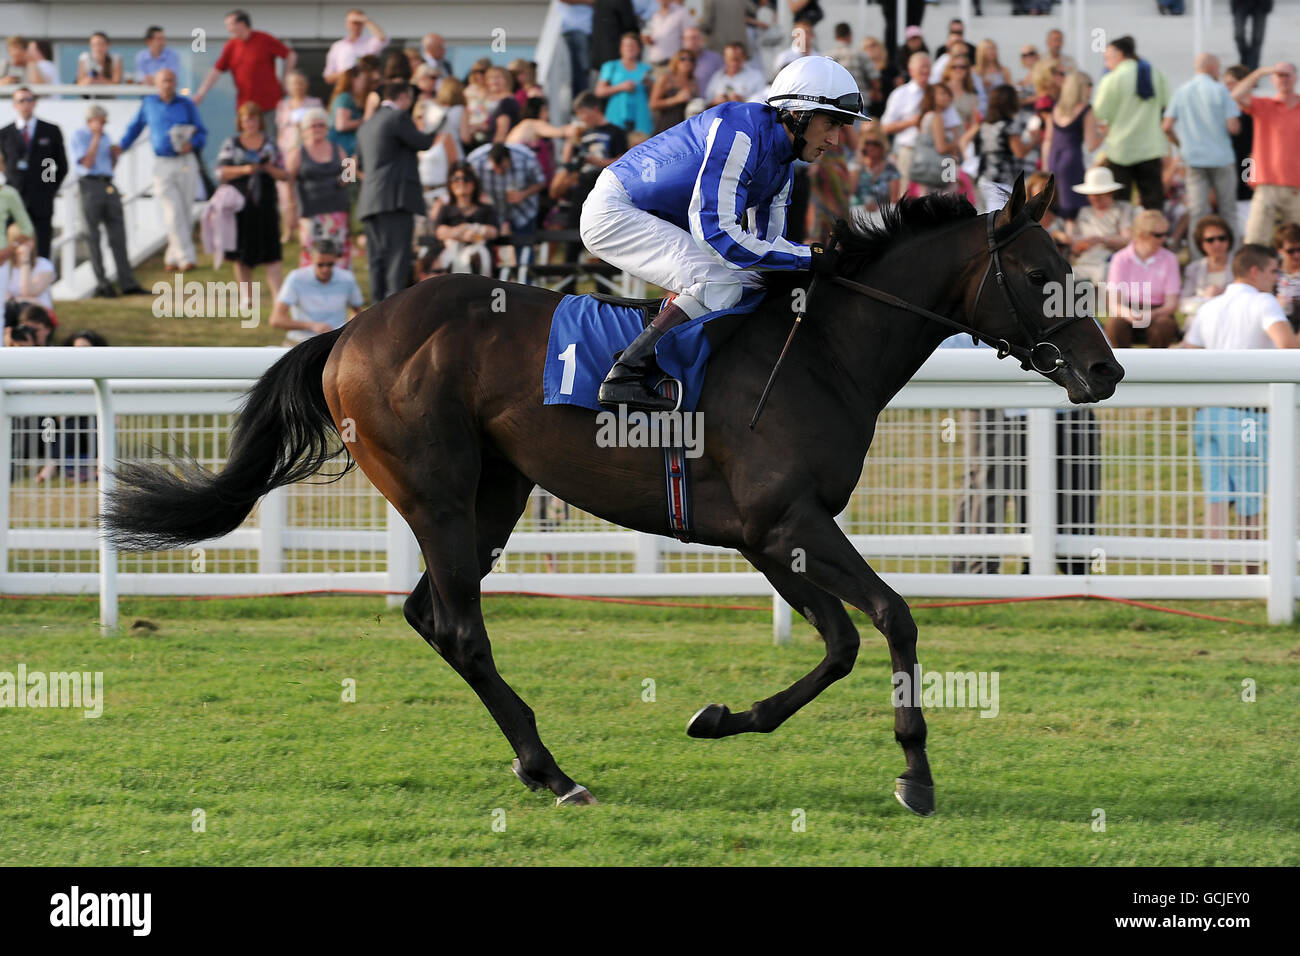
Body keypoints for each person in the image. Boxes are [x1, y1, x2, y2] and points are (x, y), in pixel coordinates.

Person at [579, 56, 869, 410]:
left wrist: (809, 263)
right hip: (616, 210)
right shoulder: (739, 132)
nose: (836, 140)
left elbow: (766, 259)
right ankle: (626, 373)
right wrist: (808, 256)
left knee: (749, 284)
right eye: (831, 124)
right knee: (720, 283)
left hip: (656, 217)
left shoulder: (783, 170)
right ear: (798, 113)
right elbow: (716, 234)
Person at [1181, 243, 1298, 572]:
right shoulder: (1263, 301)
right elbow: (1287, 345)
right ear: (1255, 271)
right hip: (1245, 415)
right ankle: (1250, 572)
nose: (1277, 278)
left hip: (1208, 414)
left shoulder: (1209, 306)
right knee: (1249, 495)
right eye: (1274, 271)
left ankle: (1218, 575)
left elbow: (1187, 352)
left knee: (1216, 497)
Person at [356, 81, 437, 303]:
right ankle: (391, 317)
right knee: (396, 261)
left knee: (376, 262)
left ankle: (373, 314)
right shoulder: (398, 117)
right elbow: (423, 142)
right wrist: (439, 123)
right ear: (403, 97)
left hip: (370, 202)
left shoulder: (366, 124)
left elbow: (359, 164)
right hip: (395, 200)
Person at [118, 69, 205, 272]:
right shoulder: (149, 104)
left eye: (171, 80)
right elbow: (135, 128)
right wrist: (121, 147)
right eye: (164, 80)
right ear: (157, 83)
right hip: (163, 162)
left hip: (185, 160)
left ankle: (172, 256)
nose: (168, 84)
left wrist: (192, 144)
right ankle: (186, 257)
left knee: (184, 209)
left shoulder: (186, 104)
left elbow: (201, 131)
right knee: (172, 211)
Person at [1163, 54, 1241, 258]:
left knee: (1197, 212)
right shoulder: (1220, 90)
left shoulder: (1182, 91)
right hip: (1221, 158)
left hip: (1194, 159)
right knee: (1228, 211)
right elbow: (1233, 126)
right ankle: (1232, 258)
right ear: (1213, 67)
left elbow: (1167, 126)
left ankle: (1197, 261)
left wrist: (1181, 144)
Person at [216, 102, 287, 307]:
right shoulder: (232, 143)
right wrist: (244, 170)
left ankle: (278, 297)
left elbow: (284, 174)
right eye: (246, 119)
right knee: (242, 251)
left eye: (254, 119)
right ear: (241, 122)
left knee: (271, 251)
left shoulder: (270, 144)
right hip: (241, 203)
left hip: (265, 202)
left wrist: (268, 168)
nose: (250, 123)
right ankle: (247, 296)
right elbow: (220, 172)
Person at [71, 105, 145, 297]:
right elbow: (86, 162)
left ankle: (128, 282)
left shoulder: (106, 137)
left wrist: (114, 155)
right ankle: (102, 283)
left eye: (104, 122)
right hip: (89, 186)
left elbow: (109, 165)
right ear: (91, 120)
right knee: (93, 237)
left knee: (118, 236)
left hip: (108, 184)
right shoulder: (80, 136)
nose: (103, 125)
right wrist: (95, 137)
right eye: (100, 121)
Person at [1092, 36, 1170, 211]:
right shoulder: (1154, 74)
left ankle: (1125, 238)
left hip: (1121, 149)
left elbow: (1099, 112)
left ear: (1119, 54)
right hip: (1150, 148)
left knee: (1121, 204)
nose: (1106, 63)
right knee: (1153, 203)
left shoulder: (1112, 78)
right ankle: (1155, 235)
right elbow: (1165, 103)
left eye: (1107, 57)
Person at [1232, 62, 1300, 245]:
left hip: (1296, 188)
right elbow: (1236, 95)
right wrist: (1261, 71)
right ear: (1273, 79)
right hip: (1266, 184)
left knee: (1295, 244)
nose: (1284, 79)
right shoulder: (1264, 105)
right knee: (1255, 241)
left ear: (1295, 78)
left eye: (1287, 75)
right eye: (1279, 75)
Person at [0, 88, 68, 261]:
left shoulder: (50, 131)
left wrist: (48, 188)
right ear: (14, 105)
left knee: (42, 249)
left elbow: (57, 165)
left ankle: (41, 285)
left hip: (41, 202)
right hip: (14, 202)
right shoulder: (4, 134)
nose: (25, 104)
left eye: (29, 99)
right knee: (12, 248)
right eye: (21, 100)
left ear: (35, 102)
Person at [193, 9, 296, 117]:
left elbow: (291, 55)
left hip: (269, 104)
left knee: (270, 134)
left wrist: (286, 81)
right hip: (245, 106)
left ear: (242, 24)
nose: (228, 30)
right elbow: (216, 71)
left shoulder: (264, 39)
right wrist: (201, 93)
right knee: (246, 134)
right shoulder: (231, 46)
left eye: (230, 25)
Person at [1104, 209, 1182, 349]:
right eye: (1158, 235)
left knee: (1163, 326)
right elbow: (1114, 303)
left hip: (1158, 312)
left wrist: (1150, 314)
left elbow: (1171, 304)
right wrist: (1128, 314)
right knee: (1114, 325)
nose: (1164, 239)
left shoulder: (1170, 259)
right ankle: (1121, 368)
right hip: (1127, 310)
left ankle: (1157, 368)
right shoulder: (1120, 258)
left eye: (1166, 234)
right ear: (1141, 235)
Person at [286, 107, 352, 269]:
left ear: (327, 128)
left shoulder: (338, 149)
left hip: (337, 211)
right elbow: (289, 182)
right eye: (313, 125)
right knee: (312, 254)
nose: (317, 129)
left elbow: (348, 176)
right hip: (310, 213)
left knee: (338, 253)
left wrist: (348, 171)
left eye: (321, 125)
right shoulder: (298, 153)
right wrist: (291, 210)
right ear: (305, 130)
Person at [270, 238, 363, 345]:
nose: (325, 269)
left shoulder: (347, 278)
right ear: (311, 259)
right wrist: (311, 325)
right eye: (320, 265)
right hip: (300, 342)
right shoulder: (296, 278)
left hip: (336, 343)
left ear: (336, 260)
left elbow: (358, 313)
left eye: (330, 264)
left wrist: (345, 331)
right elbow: (276, 319)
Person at [274, 72, 323, 243]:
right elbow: (280, 130)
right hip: (288, 151)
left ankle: (310, 227)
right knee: (286, 191)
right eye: (294, 83)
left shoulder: (315, 103)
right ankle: (288, 229)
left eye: (300, 82)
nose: (297, 87)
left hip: (309, 152)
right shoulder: (283, 105)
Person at [431, 162, 501, 275]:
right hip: (452, 251)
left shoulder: (485, 208)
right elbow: (439, 231)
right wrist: (459, 233)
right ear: (451, 184)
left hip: (478, 250)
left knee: (475, 257)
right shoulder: (446, 208)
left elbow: (494, 231)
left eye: (466, 178)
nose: (461, 182)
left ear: (473, 184)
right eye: (456, 179)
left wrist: (475, 231)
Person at [467, 141, 546, 239]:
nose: (499, 172)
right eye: (495, 168)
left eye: (503, 168)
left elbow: (541, 182)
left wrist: (523, 194)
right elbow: (465, 181)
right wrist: (479, 196)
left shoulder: (526, 158)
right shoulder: (475, 161)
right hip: (493, 213)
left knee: (524, 248)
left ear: (510, 159)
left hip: (523, 211)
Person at [974, 86, 1035, 213]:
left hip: (983, 179)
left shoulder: (985, 124)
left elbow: (970, 144)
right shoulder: (1009, 125)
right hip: (1002, 181)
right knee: (1000, 223)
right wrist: (1035, 140)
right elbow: (1020, 152)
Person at [1069, 166, 1134, 286]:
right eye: (1091, 194)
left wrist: (1101, 240)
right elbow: (1074, 244)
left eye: (1098, 194)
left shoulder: (1123, 209)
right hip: (1085, 261)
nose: (1094, 198)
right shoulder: (1084, 212)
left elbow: (1127, 240)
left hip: (1109, 261)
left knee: (1104, 274)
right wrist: (1080, 245)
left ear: (1109, 192)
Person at [1049, 72, 1100, 220]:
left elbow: (1048, 140)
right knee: (1073, 206)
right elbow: (1091, 145)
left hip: (1054, 157)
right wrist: (1104, 134)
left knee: (1058, 202)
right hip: (1072, 158)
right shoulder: (1085, 109)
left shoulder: (1057, 108)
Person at [880, 52, 933, 189]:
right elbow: (885, 127)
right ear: (911, 70)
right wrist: (911, 122)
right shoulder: (900, 94)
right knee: (905, 194)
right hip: (909, 151)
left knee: (935, 198)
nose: (926, 70)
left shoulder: (937, 92)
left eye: (928, 66)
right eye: (922, 67)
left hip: (935, 153)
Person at [909, 82, 971, 197]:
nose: (947, 97)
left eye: (948, 94)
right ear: (932, 97)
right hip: (940, 174)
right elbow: (941, 148)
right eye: (942, 94)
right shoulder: (936, 117)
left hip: (932, 173)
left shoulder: (928, 116)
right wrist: (959, 141)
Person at [597, 32, 654, 135]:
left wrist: (649, 84)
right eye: (627, 45)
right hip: (617, 115)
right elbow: (599, 92)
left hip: (640, 117)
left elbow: (655, 94)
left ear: (639, 48)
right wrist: (620, 87)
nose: (630, 48)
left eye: (633, 45)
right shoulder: (611, 66)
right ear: (621, 48)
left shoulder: (646, 69)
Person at [1180, 214, 1235, 319]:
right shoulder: (1193, 269)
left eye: (1222, 238)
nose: (1217, 244)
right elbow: (1184, 305)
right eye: (1210, 240)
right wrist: (1205, 298)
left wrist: (1226, 294)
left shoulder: (1240, 265)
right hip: (1202, 321)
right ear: (1201, 243)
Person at [324, 8, 386, 85]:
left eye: (359, 22)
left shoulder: (369, 43)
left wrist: (366, 20)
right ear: (347, 23)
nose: (356, 26)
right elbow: (328, 77)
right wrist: (348, 73)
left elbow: (382, 38)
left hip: (365, 88)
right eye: (353, 22)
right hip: (344, 88)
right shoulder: (337, 47)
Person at [850, 125, 900, 216]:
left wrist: (878, 208)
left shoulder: (890, 168)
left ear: (883, 146)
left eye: (876, 143)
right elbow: (850, 192)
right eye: (868, 143)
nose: (871, 146)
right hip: (857, 212)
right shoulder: (855, 166)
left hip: (882, 214)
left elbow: (894, 199)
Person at [5, 224, 54, 314]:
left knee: (25, 307)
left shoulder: (44, 264)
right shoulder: (5, 266)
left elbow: (27, 292)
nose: (26, 245)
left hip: (37, 315)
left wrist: (25, 260)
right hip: (11, 314)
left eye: (29, 240)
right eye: (21, 241)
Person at [650, 50, 697, 134]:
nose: (687, 62)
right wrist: (676, 99)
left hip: (685, 128)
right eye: (683, 59)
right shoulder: (665, 79)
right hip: (667, 126)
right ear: (676, 61)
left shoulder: (693, 82)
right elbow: (653, 104)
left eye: (691, 59)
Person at [328, 64, 370, 157]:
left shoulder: (349, 98)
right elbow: (341, 125)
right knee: (348, 172)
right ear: (353, 80)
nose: (364, 84)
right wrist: (365, 121)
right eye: (362, 80)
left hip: (344, 148)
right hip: (343, 148)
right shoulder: (345, 97)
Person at [705, 42, 765, 107]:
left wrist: (743, 101)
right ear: (724, 58)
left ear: (744, 57)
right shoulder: (716, 77)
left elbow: (762, 100)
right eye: (731, 59)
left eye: (737, 59)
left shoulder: (756, 76)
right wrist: (716, 101)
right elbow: (707, 100)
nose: (734, 63)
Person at [558, 0, 594, 100]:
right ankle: (581, 102)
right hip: (575, 30)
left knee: (587, 69)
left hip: (591, 31)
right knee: (580, 69)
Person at [645, 0, 695, 71]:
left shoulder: (681, 12)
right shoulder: (655, 16)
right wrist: (649, 41)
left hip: (672, 65)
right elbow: (654, 39)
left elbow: (691, 35)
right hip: (655, 65)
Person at [1230, 0, 1272, 72]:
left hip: (1261, 4)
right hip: (1240, 4)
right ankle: (1244, 61)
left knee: (1257, 38)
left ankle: (1253, 65)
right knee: (1239, 35)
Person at [1273, 221, 1300, 330]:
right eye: (1291, 251)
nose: (1297, 255)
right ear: (1280, 251)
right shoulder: (1272, 273)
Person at [680, 26, 723, 94]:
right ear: (683, 41)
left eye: (694, 38)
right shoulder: (677, 60)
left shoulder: (715, 58)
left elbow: (724, 79)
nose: (691, 42)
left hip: (710, 102)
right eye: (687, 39)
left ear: (702, 39)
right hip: (683, 102)